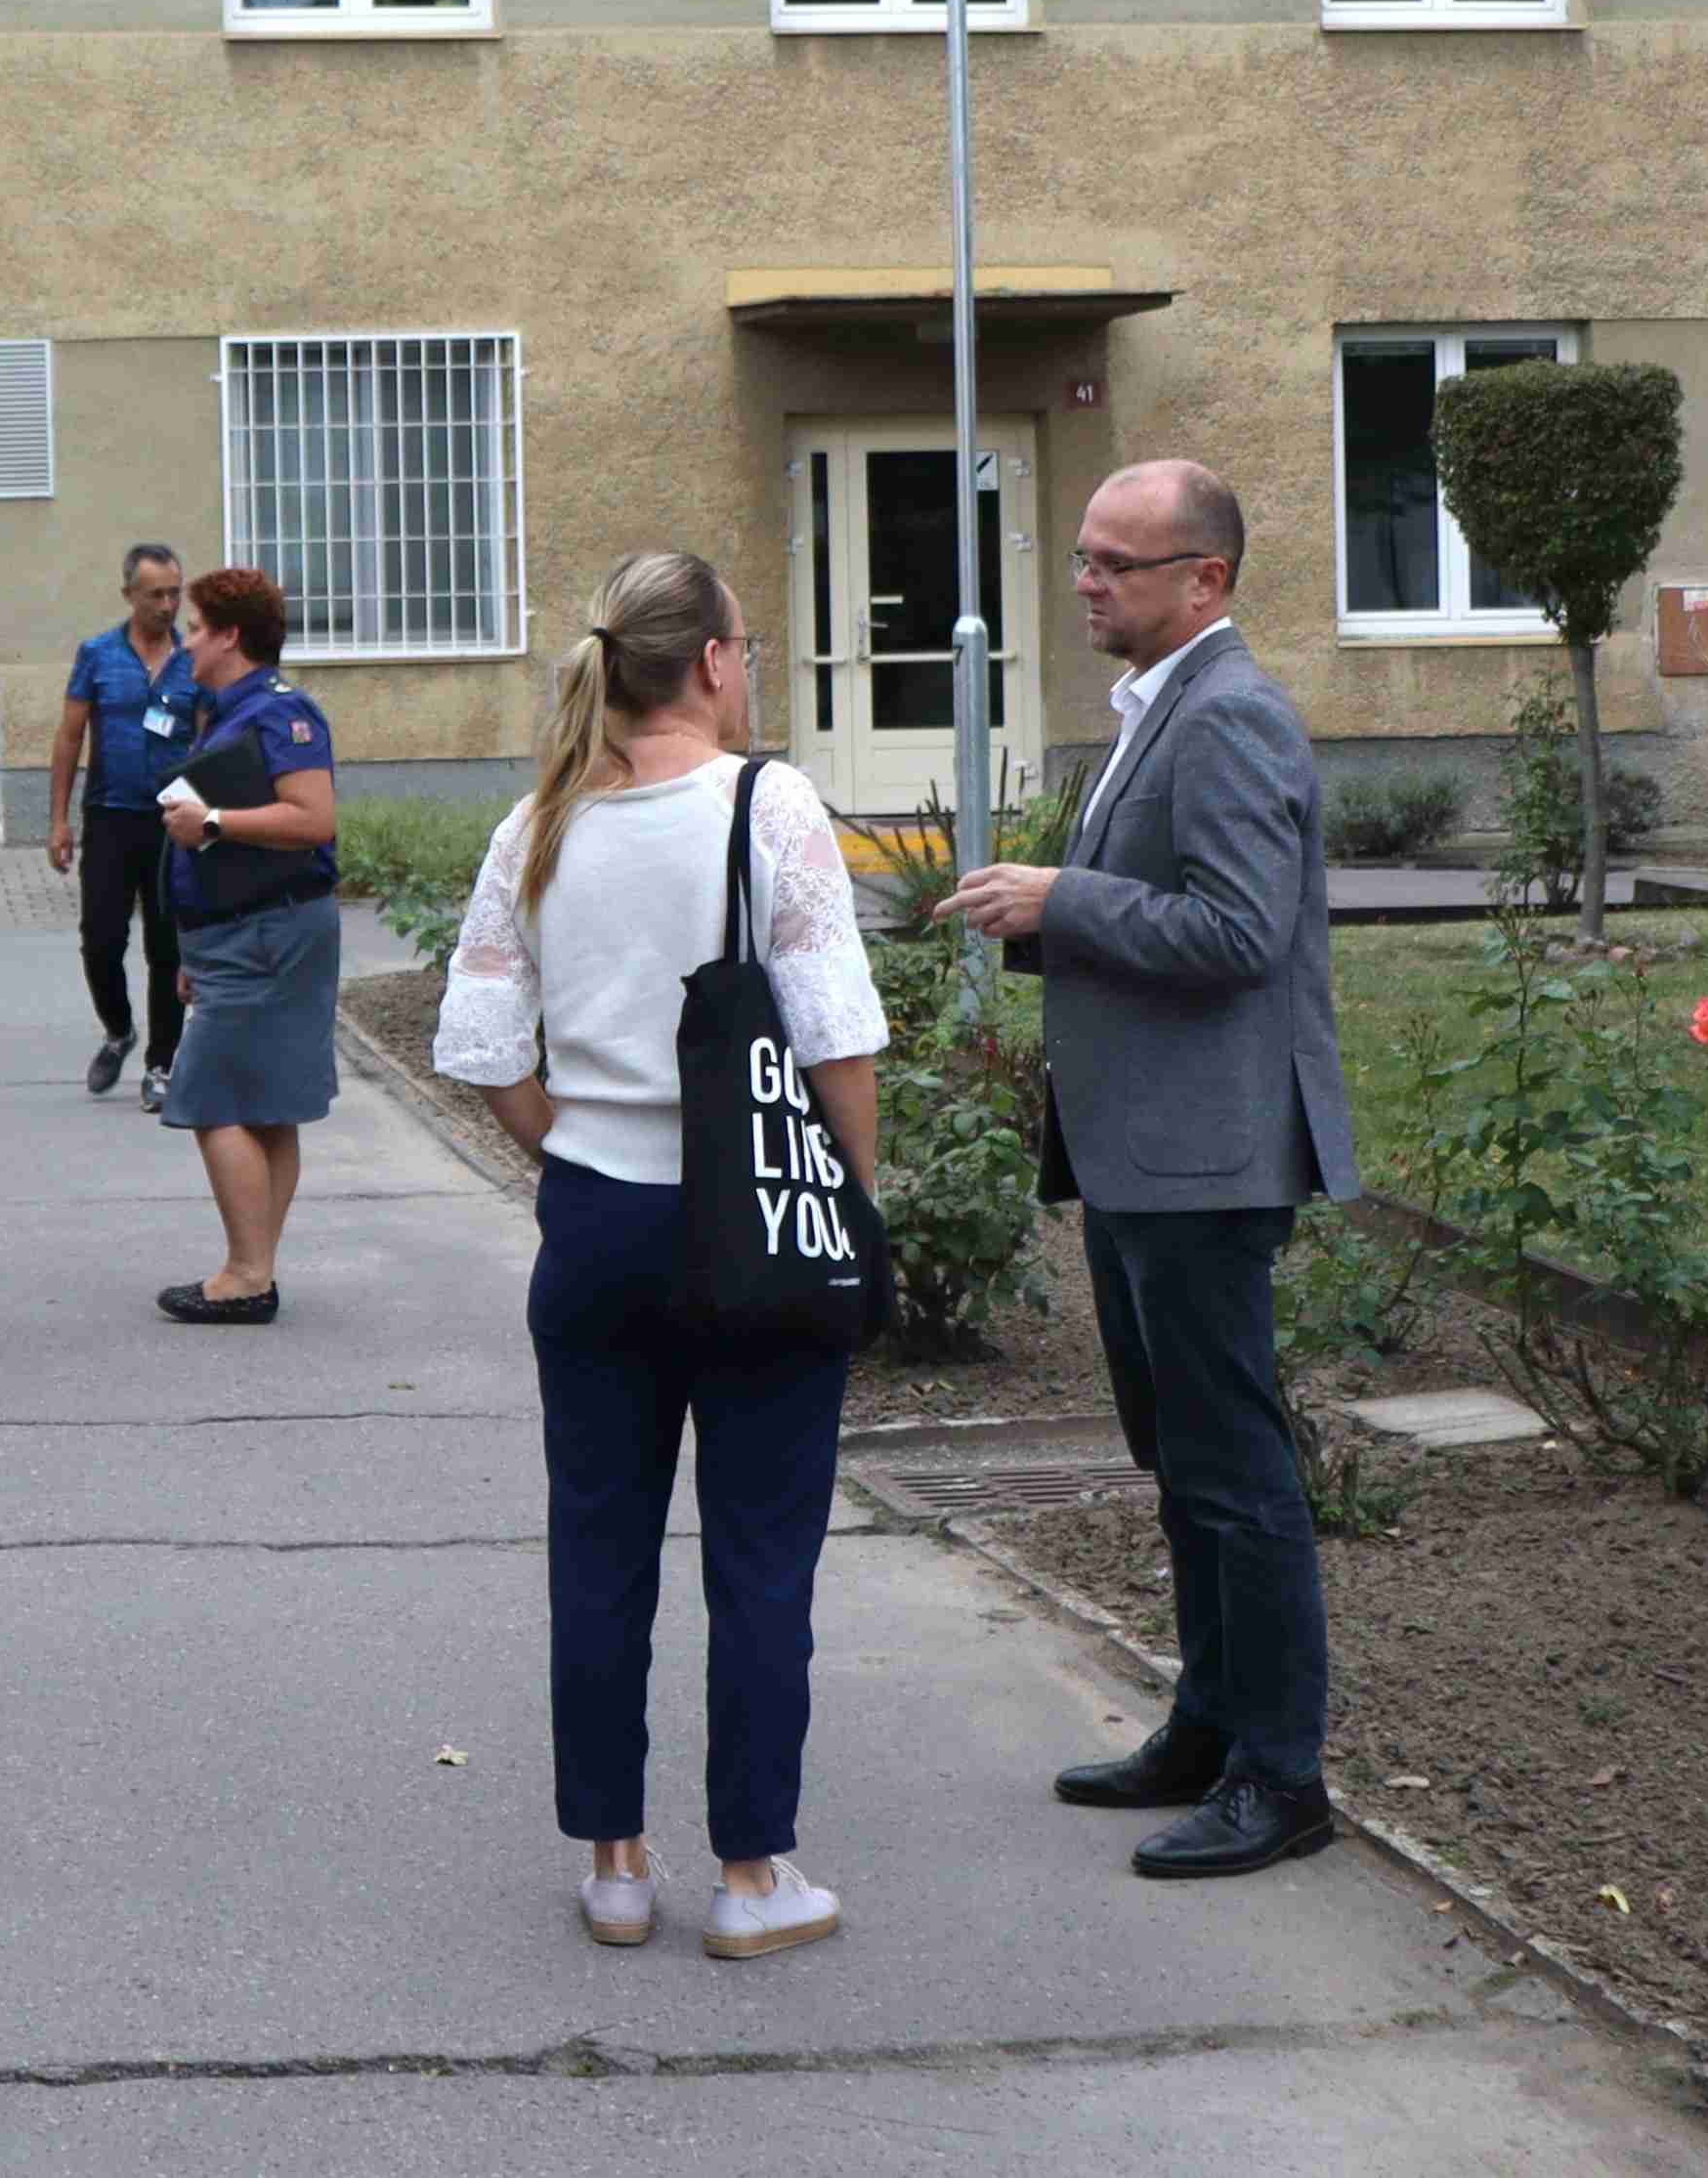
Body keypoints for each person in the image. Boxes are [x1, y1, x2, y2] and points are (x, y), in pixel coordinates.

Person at [429, 551, 886, 1963]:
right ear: (711, 662)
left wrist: (572, 1148)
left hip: (596, 1224)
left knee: (597, 1544)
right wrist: (849, 1201)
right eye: (744, 645)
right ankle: (750, 1874)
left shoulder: (538, 824)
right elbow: (836, 1035)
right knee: (760, 1557)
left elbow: (481, 1045)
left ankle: (615, 1865)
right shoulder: (767, 805)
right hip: (753, 1228)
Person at [946, 458, 1356, 1885]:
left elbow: (1238, 932)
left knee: (1233, 1472)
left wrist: (1062, 897)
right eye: (1081, 555)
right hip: (1148, 1155)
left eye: (1115, 562)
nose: (1085, 583)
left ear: (1205, 579)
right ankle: (1207, 1727)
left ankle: (1280, 1774)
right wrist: (1053, 913)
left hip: (1206, 1160)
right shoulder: (1157, 703)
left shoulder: (1228, 712)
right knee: (1181, 1460)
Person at [146, 567, 340, 1323]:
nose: (186, 640)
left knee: (209, 1097)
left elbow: (312, 818)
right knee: (267, 1107)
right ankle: (255, 1269)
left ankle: (246, 1275)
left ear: (230, 636)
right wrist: (196, 952)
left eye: (196, 627)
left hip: (271, 932)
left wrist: (214, 821)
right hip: (241, 935)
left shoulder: (281, 712)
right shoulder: (231, 711)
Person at [47, 542, 198, 1106]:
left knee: (167, 947)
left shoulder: (193, 659)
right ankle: (118, 1030)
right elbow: (69, 737)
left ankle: (161, 1065)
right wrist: (58, 821)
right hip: (110, 816)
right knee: (101, 940)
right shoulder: (98, 655)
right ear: (129, 594)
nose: (167, 605)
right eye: (155, 594)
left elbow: (210, 738)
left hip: (173, 822)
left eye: (175, 593)